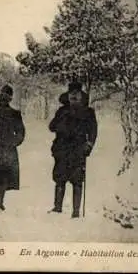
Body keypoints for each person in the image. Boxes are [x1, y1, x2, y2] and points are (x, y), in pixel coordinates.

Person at [48, 81, 97, 218]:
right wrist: (61, 121)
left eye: (76, 94)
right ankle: (57, 208)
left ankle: (76, 212)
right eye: (71, 94)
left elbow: (93, 131)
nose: (74, 97)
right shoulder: (62, 111)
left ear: (81, 96)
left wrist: (89, 145)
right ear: (68, 96)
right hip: (62, 149)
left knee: (77, 180)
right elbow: (51, 127)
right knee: (59, 178)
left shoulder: (88, 112)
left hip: (78, 150)